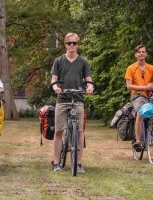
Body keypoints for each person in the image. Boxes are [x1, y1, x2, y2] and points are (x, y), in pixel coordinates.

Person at [50, 33, 94, 173]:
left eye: (74, 43)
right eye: (69, 43)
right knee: (58, 131)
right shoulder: (58, 61)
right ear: (65, 44)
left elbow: (88, 79)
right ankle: (56, 163)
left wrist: (90, 86)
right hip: (62, 98)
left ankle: (79, 163)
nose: (72, 46)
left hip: (78, 98)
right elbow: (53, 79)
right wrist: (55, 87)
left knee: (80, 131)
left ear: (78, 44)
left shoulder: (83, 61)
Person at [125, 45, 153, 152]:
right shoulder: (131, 68)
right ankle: (138, 141)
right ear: (136, 54)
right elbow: (129, 86)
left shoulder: (151, 68)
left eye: (143, 52)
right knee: (140, 113)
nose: (141, 53)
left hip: (150, 96)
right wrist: (145, 87)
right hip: (137, 96)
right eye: (139, 52)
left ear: (146, 54)